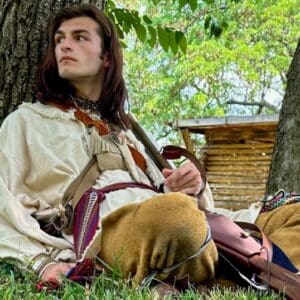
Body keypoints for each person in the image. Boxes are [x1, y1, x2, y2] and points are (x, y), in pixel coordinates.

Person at [0, 4, 217, 286]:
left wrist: (190, 185)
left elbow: (181, 198)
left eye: (79, 37)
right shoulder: (26, 122)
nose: (65, 45)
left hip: (172, 222)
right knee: (176, 217)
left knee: (290, 218)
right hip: (108, 235)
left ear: (106, 57)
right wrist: (40, 262)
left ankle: (201, 268)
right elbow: (2, 203)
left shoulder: (129, 132)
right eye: (59, 39)